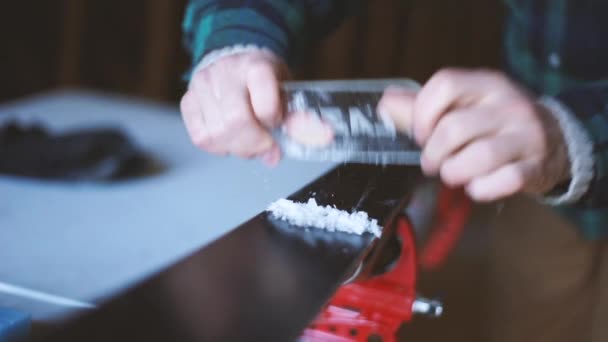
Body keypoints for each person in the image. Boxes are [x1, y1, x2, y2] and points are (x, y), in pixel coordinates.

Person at [179, 1, 608, 341]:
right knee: (537, 314)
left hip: (545, 150)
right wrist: (236, 39)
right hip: (534, 183)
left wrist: (575, 133)